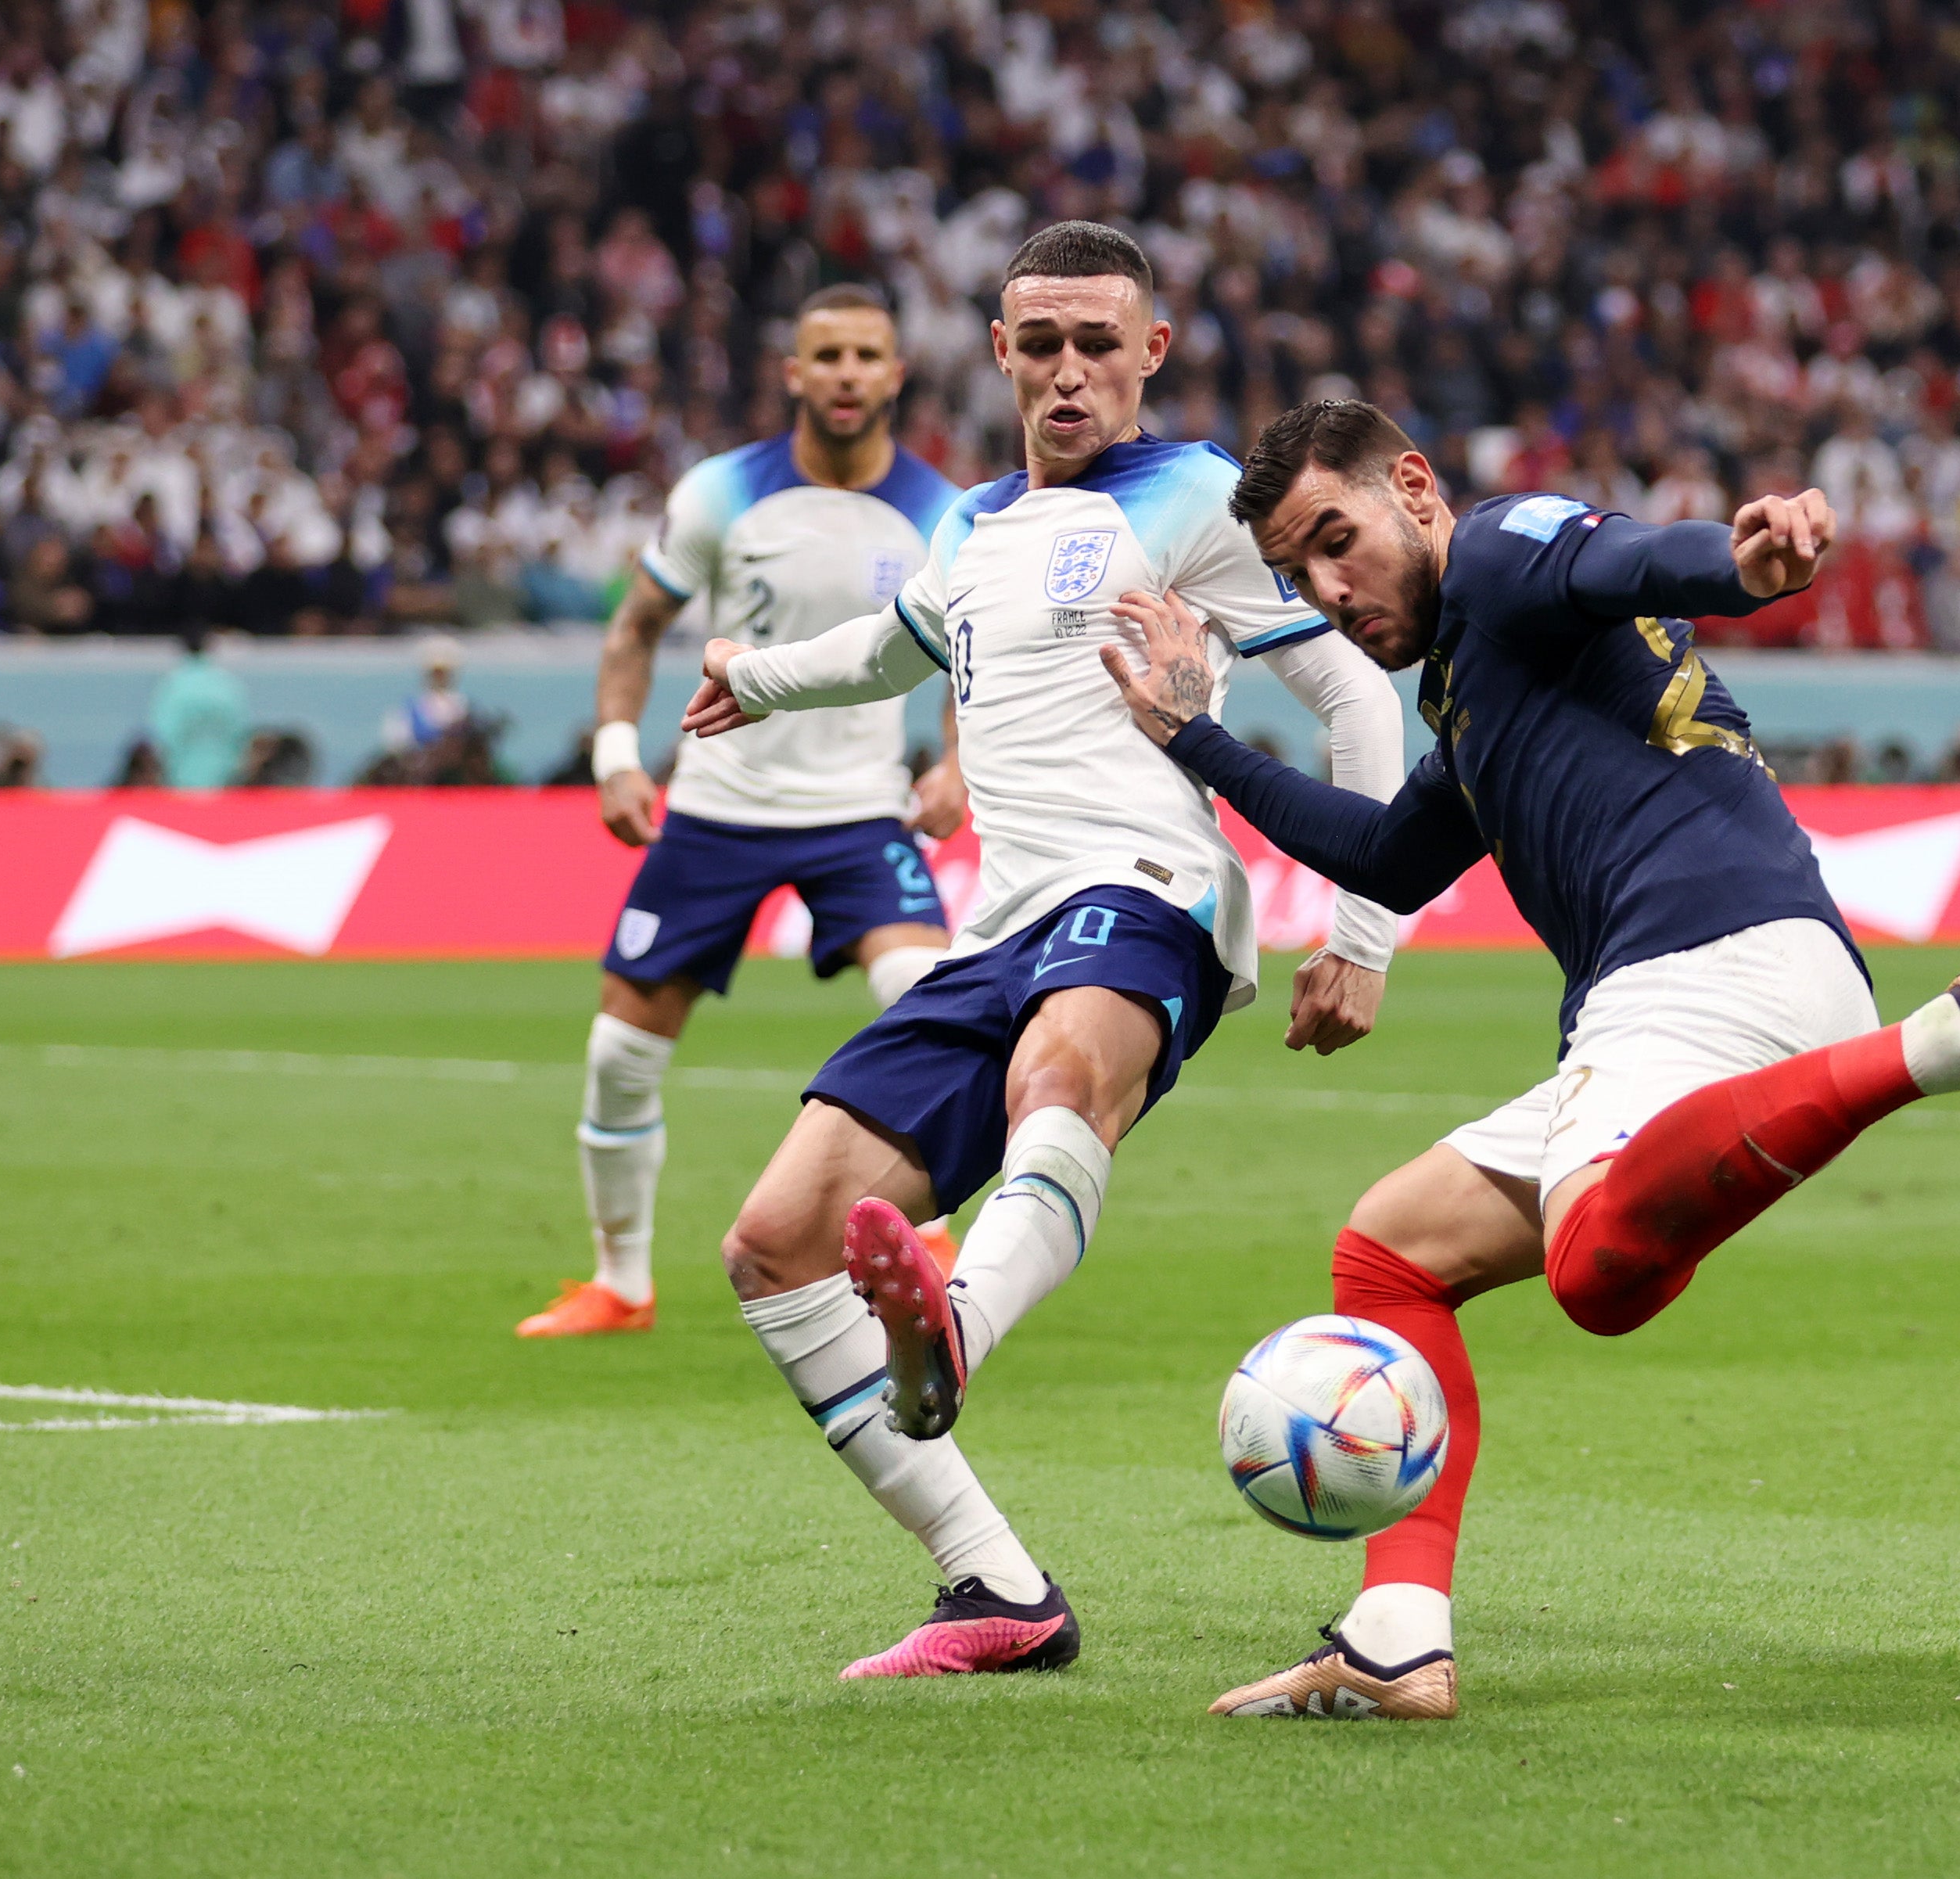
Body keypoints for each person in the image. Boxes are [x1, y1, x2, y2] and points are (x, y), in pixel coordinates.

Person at [1096, 399, 1960, 1721]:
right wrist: (1194, 737)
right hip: (1691, 981)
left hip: (1709, 954)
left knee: (1595, 1271)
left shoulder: (1495, 556)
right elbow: (1384, 856)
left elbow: (1627, 560)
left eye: (1336, 540)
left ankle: (1959, 1030)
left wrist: (1743, 562)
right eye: (1296, 573)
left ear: (1411, 487)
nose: (1326, 590)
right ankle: (1396, 1639)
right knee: (1392, 1251)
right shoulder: (1476, 680)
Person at [674, 224, 1407, 1678]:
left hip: (1147, 888)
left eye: (1098, 343)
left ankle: (954, 1320)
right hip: (997, 921)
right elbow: (892, 649)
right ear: (1001, 351)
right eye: (1041, 343)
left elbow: (1357, 698)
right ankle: (994, 1588)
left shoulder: (1200, 496)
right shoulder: (974, 524)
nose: (1070, 372)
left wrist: (1365, 933)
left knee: (1057, 1076)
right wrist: (752, 677)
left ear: (1153, 353)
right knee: (773, 1246)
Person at [517, 284, 967, 1342]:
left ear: (896, 372)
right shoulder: (721, 492)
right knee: (618, 1054)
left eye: (867, 355)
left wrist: (960, 764)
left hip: (860, 809)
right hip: (718, 807)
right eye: (829, 355)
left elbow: (968, 647)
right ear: (795, 372)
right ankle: (620, 1284)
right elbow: (635, 627)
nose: (848, 373)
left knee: (924, 991)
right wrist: (620, 756)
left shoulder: (945, 509)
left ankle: (933, 1240)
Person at [148, 625, 252, 789]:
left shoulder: (173, 685)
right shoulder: (227, 683)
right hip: (222, 777)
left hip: (181, 777)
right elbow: (240, 732)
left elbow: (163, 733)